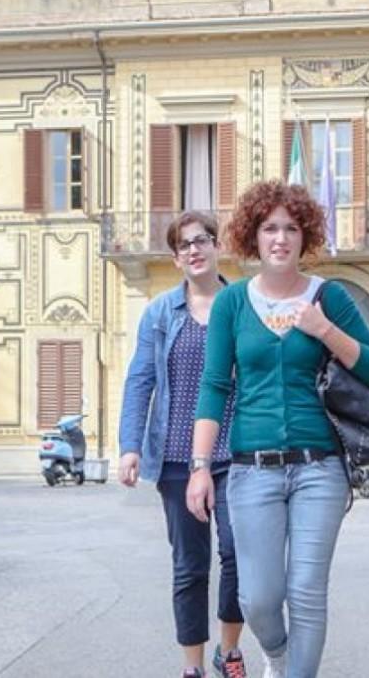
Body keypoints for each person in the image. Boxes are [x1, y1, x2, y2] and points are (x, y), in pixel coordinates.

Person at [186, 180, 369, 678]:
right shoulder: (232, 304)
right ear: (253, 236)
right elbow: (214, 387)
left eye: (291, 228)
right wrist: (199, 467)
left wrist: (324, 330)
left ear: (305, 236)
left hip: (320, 468)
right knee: (258, 598)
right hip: (251, 470)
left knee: (306, 592)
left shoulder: (329, 297)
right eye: (270, 228)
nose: (280, 238)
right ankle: (277, 654)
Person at [117, 210, 247, 678]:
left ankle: (228, 651)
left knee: (237, 553)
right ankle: (192, 667)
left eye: (202, 240)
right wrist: (130, 445)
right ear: (176, 258)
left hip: (236, 454)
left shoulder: (243, 305)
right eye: (184, 245)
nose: (194, 249)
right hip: (175, 454)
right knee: (190, 566)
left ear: (217, 247)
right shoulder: (159, 312)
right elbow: (139, 380)